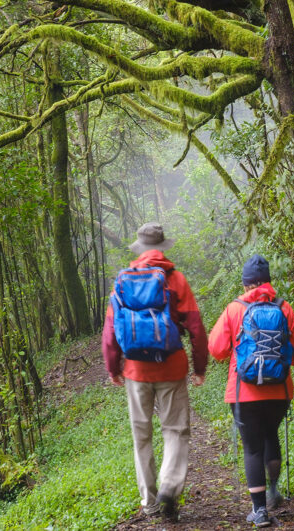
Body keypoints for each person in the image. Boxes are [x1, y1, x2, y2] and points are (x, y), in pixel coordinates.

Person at [102, 222, 208, 522]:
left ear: (139, 248)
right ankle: (170, 488)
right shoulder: (175, 279)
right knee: (175, 431)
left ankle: (149, 503)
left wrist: (113, 367)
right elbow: (196, 329)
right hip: (172, 367)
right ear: (162, 248)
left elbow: (110, 332)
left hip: (135, 371)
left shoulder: (123, 280)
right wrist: (199, 367)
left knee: (142, 436)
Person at [208, 255, 294, 528]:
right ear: (268, 283)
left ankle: (260, 511)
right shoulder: (283, 308)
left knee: (252, 448)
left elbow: (216, 349)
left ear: (245, 284)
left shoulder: (234, 309)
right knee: (270, 436)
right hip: (279, 391)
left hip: (243, 392)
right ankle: (274, 490)